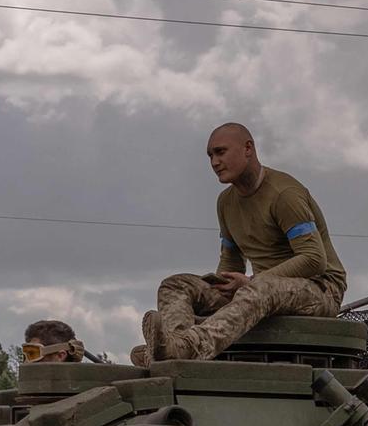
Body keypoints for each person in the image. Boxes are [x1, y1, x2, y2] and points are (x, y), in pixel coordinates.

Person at [133, 123, 346, 363]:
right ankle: (174, 346)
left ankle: (192, 348)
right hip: (259, 290)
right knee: (176, 285)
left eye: (220, 152)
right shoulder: (225, 202)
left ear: (248, 149)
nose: (214, 162)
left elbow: (314, 259)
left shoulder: (284, 194)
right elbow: (231, 262)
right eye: (210, 155)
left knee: (261, 290)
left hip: (320, 290)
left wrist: (253, 281)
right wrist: (220, 287)